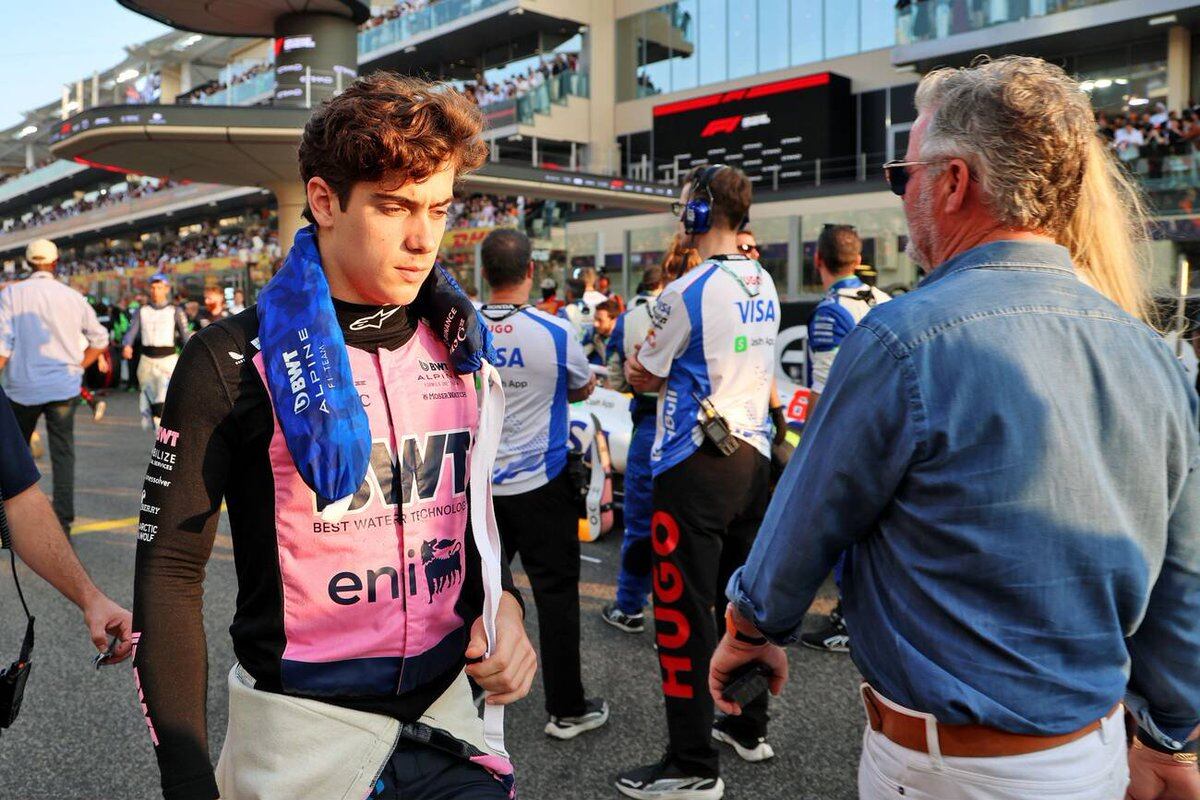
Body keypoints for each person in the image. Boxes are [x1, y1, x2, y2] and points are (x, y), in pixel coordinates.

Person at [715, 56, 1200, 800]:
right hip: (1094, 756)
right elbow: (1182, 576)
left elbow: (805, 520)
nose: (902, 195)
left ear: (952, 182)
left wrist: (751, 633)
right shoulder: (1151, 352)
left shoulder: (902, 340)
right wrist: (1174, 734)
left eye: (901, 176)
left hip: (950, 768)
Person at [131, 73, 535, 800]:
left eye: (438, 210)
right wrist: (187, 779)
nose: (423, 239)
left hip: (447, 720)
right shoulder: (228, 359)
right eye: (394, 206)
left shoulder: (458, 345)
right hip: (300, 736)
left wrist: (506, 602)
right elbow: (170, 572)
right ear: (323, 201)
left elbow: (470, 518)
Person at [618, 164, 781, 799]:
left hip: (692, 466)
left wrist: (643, 368)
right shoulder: (762, 277)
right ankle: (746, 726)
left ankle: (691, 765)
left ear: (700, 211)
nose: (680, 214)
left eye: (684, 204)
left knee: (682, 615)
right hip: (753, 459)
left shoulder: (685, 291)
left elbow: (644, 373)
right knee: (741, 605)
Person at [478, 228, 609, 741]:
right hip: (543, 486)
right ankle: (567, 709)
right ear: (530, 271)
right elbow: (581, 385)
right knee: (556, 599)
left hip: (478, 491)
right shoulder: (555, 330)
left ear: (484, 273)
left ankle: (466, 698)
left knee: (476, 597)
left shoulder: (462, 325)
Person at [798, 224, 891, 655]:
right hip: (891, 433)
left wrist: (808, 447)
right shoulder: (885, 299)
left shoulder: (830, 312)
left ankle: (850, 621)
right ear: (858, 260)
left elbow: (824, 389)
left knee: (840, 527)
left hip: (852, 437)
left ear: (818, 260)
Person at [0, 383, 133, 665]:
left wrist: (91, 598)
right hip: (46, 391)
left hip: (38, 392)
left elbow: (19, 500)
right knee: (63, 455)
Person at [0, 238, 109, 533]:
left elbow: (3, 347)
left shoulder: (12, 295)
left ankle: (13, 521)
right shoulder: (72, 296)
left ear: (27, 263)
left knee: (13, 457)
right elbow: (100, 338)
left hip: (22, 387)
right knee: (63, 455)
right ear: (55, 262)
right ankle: (63, 519)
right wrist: (78, 366)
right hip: (63, 386)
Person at [601, 261, 667, 634]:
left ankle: (629, 606)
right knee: (687, 529)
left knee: (641, 523)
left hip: (649, 425)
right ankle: (681, 622)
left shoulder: (630, 319)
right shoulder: (707, 305)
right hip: (697, 430)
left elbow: (615, 376)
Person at [121, 274, 190, 430]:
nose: (155, 291)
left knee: (163, 401)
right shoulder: (141, 311)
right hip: (147, 361)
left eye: (159, 287)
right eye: (152, 287)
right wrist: (127, 345)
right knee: (149, 402)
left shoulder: (175, 310)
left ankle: (164, 434)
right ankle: (158, 434)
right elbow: (131, 332)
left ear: (166, 289)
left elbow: (185, 335)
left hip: (168, 361)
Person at [590, 298, 620, 367]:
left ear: (613, 320)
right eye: (595, 319)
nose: (595, 324)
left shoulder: (623, 341)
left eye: (600, 320)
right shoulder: (593, 335)